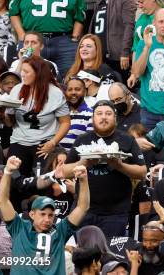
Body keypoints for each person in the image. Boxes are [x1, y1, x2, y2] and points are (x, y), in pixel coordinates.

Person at [59, 100, 147, 239]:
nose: (104, 117)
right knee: (83, 254)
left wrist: (119, 165)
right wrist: (84, 162)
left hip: (116, 212)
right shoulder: (82, 140)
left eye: (108, 114)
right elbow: (65, 171)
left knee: (110, 256)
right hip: (83, 209)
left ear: (115, 119)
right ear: (93, 118)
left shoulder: (127, 140)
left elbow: (142, 172)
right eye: (99, 114)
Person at [0, 156, 89, 275]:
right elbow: (3, 201)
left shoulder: (60, 231)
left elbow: (83, 207)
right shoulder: (19, 228)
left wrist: (83, 179)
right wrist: (7, 172)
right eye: (42, 214)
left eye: (51, 215)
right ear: (31, 214)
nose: (47, 219)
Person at [0, 55, 70, 178]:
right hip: (19, 141)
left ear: (38, 73)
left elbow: (65, 122)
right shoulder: (17, 89)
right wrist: (1, 115)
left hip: (44, 144)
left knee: (43, 181)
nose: (22, 75)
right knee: (13, 180)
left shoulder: (55, 93)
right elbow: (10, 123)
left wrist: (53, 142)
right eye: (22, 71)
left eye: (26, 72)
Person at [90, 0, 136, 76]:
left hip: (117, 57)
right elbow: (94, 25)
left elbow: (129, 27)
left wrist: (125, 53)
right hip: (100, 54)